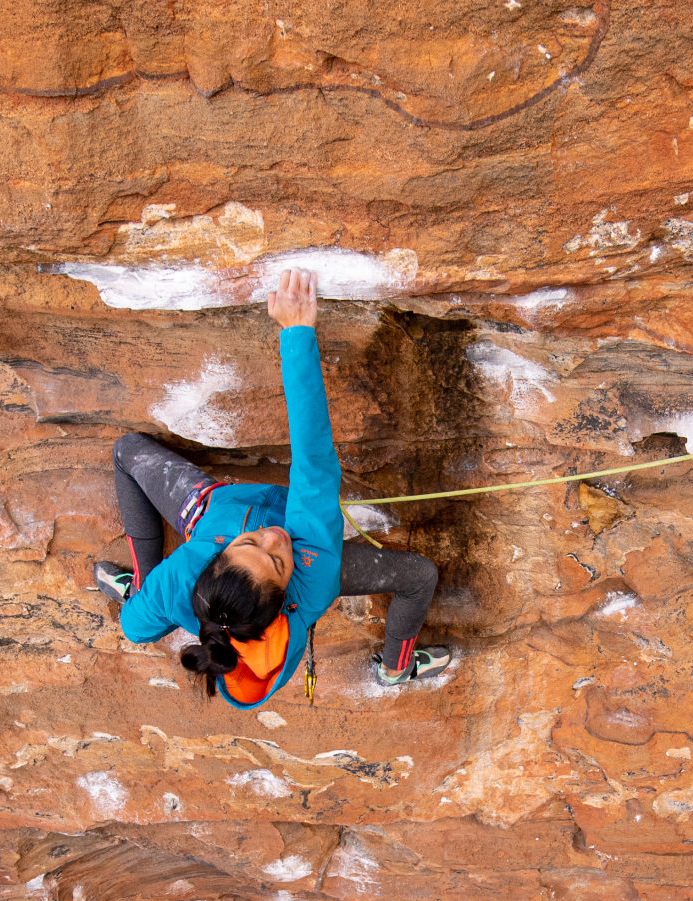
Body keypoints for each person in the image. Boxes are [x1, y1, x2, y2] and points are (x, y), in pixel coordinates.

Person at [94, 268, 452, 698]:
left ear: (217, 555)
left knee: (127, 452)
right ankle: (396, 669)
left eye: (250, 544)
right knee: (420, 575)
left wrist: (150, 590)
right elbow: (311, 461)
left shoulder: (182, 579)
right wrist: (297, 332)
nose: (275, 537)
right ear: (285, 597)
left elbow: (135, 630)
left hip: (212, 513)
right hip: (289, 551)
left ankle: (139, 585)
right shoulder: (312, 573)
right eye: (278, 561)